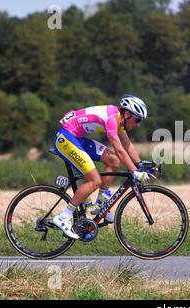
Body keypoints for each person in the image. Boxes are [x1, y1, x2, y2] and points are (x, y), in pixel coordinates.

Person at [52, 94, 150, 239]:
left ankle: (100, 202)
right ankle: (63, 217)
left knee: (114, 161)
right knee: (95, 181)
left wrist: (140, 164)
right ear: (128, 114)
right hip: (66, 138)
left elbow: (127, 145)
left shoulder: (119, 119)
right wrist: (134, 171)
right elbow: (120, 149)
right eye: (138, 120)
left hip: (77, 138)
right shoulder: (111, 118)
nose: (138, 124)